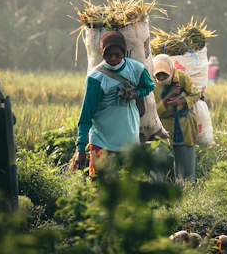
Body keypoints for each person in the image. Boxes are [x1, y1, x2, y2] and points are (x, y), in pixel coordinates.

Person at [70, 30, 155, 175]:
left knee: (128, 189)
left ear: (124, 52)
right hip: (102, 142)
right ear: (102, 53)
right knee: (100, 189)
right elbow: (85, 116)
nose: (113, 59)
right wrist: (81, 149)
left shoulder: (137, 69)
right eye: (108, 54)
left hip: (129, 141)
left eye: (118, 54)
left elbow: (149, 86)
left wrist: (136, 93)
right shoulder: (96, 78)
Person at [153, 54, 200, 182]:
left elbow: (196, 94)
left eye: (165, 75)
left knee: (185, 163)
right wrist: (169, 96)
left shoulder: (182, 78)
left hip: (184, 126)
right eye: (159, 75)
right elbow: (155, 111)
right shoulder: (152, 85)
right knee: (157, 162)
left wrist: (182, 100)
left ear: (172, 71)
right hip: (163, 127)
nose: (161, 78)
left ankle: (187, 190)